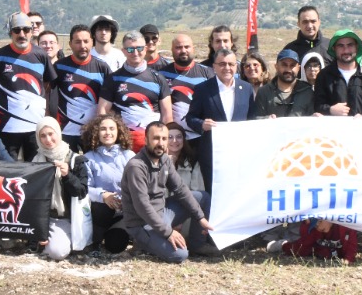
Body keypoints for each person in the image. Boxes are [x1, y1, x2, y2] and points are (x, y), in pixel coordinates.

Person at [118, 122, 214, 263]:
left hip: (163, 212)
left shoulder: (164, 160)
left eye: (164, 138)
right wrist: (168, 232)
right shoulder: (136, 166)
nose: (161, 143)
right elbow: (142, 206)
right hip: (142, 223)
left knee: (202, 197)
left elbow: (181, 189)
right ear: (146, 140)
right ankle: (142, 243)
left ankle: (197, 245)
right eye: (156, 138)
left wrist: (201, 218)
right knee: (179, 255)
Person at [0, 12, 58, 160]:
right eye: (17, 30)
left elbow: (47, 85)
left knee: (35, 167)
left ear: (31, 31)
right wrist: (4, 104)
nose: (21, 34)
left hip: (35, 125)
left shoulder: (41, 55)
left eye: (26, 30)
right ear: (10, 32)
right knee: (7, 169)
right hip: (7, 126)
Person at [184, 47, 254, 193]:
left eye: (231, 64)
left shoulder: (246, 89)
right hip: (212, 154)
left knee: (239, 192)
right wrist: (202, 124)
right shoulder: (203, 89)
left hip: (239, 153)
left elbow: (252, 119)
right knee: (215, 194)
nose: (227, 68)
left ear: (237, 66)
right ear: (214, 67)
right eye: (222, 64)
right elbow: (190, 117)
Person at [31, 117, 88, 261]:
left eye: (51, 134)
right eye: (42, 136)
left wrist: (67, 175)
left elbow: (81, 191)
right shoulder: (35, 161)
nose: (48, 139)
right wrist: (38, 228)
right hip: (42, 216)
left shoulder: (75, 159)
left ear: (58, 133)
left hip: (65, 217)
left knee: (57, 252)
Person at [52, 24, 112, 151]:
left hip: (93, 132)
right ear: (70, 44)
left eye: (86, 41)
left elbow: (110, 99)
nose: (82, 46)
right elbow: (48, 95)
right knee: (67, 169)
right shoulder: (59, 67)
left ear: (92, 42)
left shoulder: (102, 67)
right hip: (66, 131)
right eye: (78, 42)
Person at [108, 30, 171, 149]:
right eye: (130, 49)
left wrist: (165, 143)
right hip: (122, 144)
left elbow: (167, 115)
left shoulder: (158, 78)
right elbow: (102, 111)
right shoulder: (113, 79)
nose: (135, 53)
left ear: (145, 48)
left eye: (140, 48)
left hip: (152, 145)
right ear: (123, 51)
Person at [81, 113, 131, 252]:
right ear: (96, 132)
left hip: (123, 210)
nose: (108, 132)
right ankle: (96, 237)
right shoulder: (88, 158)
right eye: (103, 129)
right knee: (100, 206)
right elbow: (85, 188)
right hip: (100, 212)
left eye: (112, 128)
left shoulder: (129, 156)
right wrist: (103, 195)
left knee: (115, 246)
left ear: (118, 131)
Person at [312, 30, 362, 117]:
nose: (346, 50)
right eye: (340, 46)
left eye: (350, 45)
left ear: (357, 47)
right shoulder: (323, 76)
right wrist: (330, 110)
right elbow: (317, 105)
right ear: (334, 49)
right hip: (333, 129)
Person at [160, 33, 211, 139]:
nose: (183, 51)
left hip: (201, 136)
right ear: (172, 50)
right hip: (174, 138)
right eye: (178, 47)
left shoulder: (208, 73)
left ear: (193, 48)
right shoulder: (161, 75)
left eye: (187, 47)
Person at [253, 49, 316, 119]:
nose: (288, 70)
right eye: (284, 65)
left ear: (298, 68)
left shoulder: (307, 92)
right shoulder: (264, 92)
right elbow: (256, 119)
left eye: (292, 65)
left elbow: (312, 121)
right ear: (276, 66)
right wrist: (266, 119)